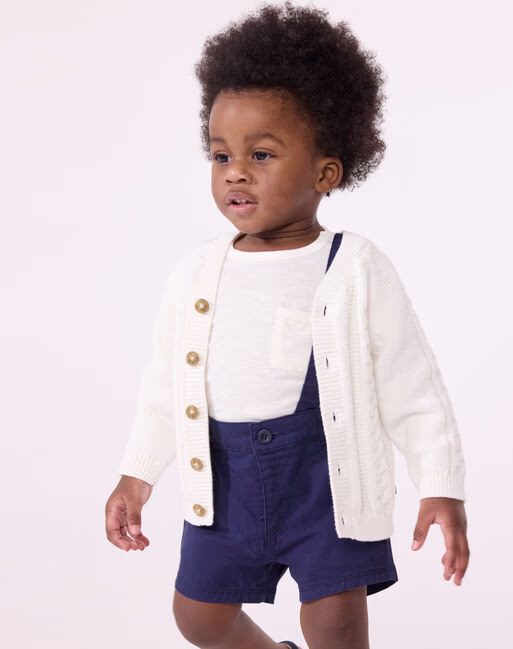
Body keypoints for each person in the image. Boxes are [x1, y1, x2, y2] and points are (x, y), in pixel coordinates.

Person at [105, 3, 470, 648]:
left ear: (326, 172)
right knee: (199, 617)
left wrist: (439, 486)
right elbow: (166, 385)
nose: (235, 171)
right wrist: (137, 475)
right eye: (220, 155)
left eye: (261, 154)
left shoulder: (356, 268)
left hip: (326, 484)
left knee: (336, 623)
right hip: (222, 481)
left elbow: (413, 386)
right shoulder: (196, 273)